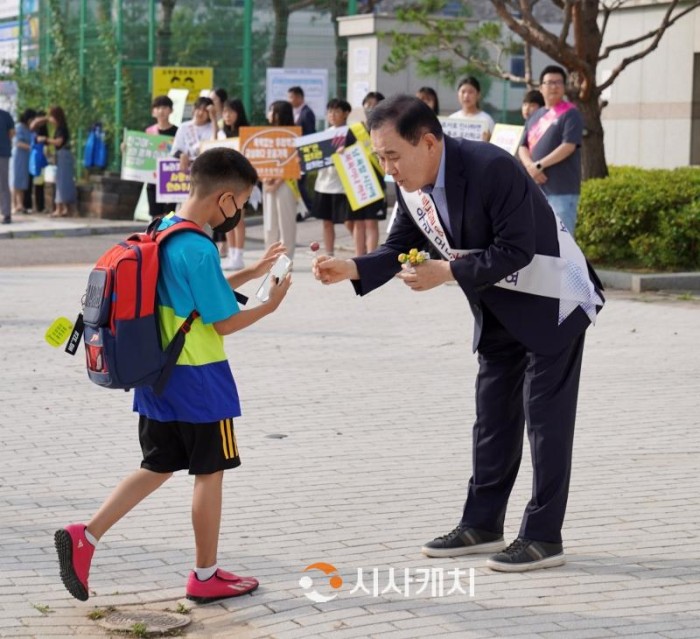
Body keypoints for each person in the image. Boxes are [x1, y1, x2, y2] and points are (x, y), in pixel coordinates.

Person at [312, 95, 604, 572]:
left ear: (428, 142)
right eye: (380, 158)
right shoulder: (411, 183)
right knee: (492, 420)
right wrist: (353, 267)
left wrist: (445, 273)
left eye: (392, 156)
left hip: (555, 301)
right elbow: (400, 246)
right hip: (498, 310)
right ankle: (482, 524)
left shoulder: (492, 168)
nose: (388, 170)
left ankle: (543, 536)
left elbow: (517, 251)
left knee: (545, 424)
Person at [54, 147, 292, 603]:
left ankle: (85, 534)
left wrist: (253, 271)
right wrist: (270, 304)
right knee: (211, 471)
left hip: (158, 374)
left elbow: (197, 297)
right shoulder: (200, 248)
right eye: (241, 204)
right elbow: (220, 322)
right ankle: (205, 576)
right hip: (202, 380)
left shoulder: (163, 229)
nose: (240, 213)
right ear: (224, 197)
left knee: (158, 463)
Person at [518, 66, 584, 236]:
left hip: (561, 190)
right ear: (541, 88)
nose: (554, 86)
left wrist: (539, 165)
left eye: (558, 82)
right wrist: (531, 167)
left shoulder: (571, 114)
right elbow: (522, 146)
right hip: (535, 189)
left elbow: (568, 146)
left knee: (563, 242)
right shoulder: (535, 115)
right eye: (549, 83)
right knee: (537, 241)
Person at [312, 99, 351, 256]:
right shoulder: (324, 134)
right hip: (324, 184)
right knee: (327, 222)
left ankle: (361, 252)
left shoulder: (350, 133)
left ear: (345, 113)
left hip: (343, 186)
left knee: (350, 222)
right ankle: (329, 253)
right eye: (329, 112)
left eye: (336, 111)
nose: (332, 115)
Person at [216, 98, 252, 271]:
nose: (227, 116)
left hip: (241, 181)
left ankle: (239, 254)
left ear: (239, 113)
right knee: (227, 217)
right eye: (224, 112)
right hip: (224, 181)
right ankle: (231, 254)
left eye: (230, 112)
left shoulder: (246, 134)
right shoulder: (223, 134)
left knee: (238, 218)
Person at [262, 101, 298, 259]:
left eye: (272, 111)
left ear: (279, 114)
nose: (269, 114)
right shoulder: (266, 133)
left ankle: (284, 262)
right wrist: (265, 177)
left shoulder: (294, 134)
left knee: (286, 224)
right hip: (267, 182)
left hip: (286, 183)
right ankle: (270, 260)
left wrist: (277, 181)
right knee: (270, 225)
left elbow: (294, 160)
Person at [36, 106, 76, 218]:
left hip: (63, 155)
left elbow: (59, 142)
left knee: (62, 182)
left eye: (52, 117)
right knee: (63, 181)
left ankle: (59, 209)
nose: (50, 120)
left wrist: (45, 139)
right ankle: (65, 208)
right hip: (62, 156)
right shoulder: (60, 127)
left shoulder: (61, 128)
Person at [145, 95, 178, 218]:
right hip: (153, 179)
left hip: (171, 178)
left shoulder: (177, 131)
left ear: (171, 110)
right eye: (158, 107)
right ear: (153, 112)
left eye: (165, 107)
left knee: (169, 215)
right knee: (156, 215)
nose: (161, 111)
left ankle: (168, 237)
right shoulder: (149, 132)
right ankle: (156, 237)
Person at [287, 86, 315, 218]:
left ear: (299, 97)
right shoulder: (294, 112)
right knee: (297, 183)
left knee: (299, 183)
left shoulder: (307, 113)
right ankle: (303, 210)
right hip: (293, 153)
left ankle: (308, 208)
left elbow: (309, 135)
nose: (289, 100)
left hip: (302, 154)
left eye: (291, 97)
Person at [171, 97, 216, 173]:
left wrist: (214, 119)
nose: (201, 113)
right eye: (198, 109)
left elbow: (217, 142)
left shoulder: (214, 127)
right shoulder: (184, 127)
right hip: (187, 171)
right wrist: (182, 155)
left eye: (205, 111)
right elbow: (175, 150)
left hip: (208, 170)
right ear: (194, 109)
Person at [448, 76, 495, 142]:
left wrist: (488, 141)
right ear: (458, 94)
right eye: (463, 92)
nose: (466, 96)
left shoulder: (487, 120)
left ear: (478, 95)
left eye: (470, 92)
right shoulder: (452, 119)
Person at [11, 108, 35, 215]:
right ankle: (14, 205)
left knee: (23, 180)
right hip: (18, 156)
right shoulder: (18, 127)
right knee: (15, 180)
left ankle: (21, 204)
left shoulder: (28, 129)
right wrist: (29, 147)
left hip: (26, 156)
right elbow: (17, 142)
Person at [0, 105, 15, 224]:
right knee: (3, 184)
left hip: (3, 153)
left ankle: (6, 214)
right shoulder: (6, 115)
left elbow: (12, 133)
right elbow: (11, 133)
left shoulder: (5, 115)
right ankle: (6, 214)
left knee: (3, 184)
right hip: (3, 152)